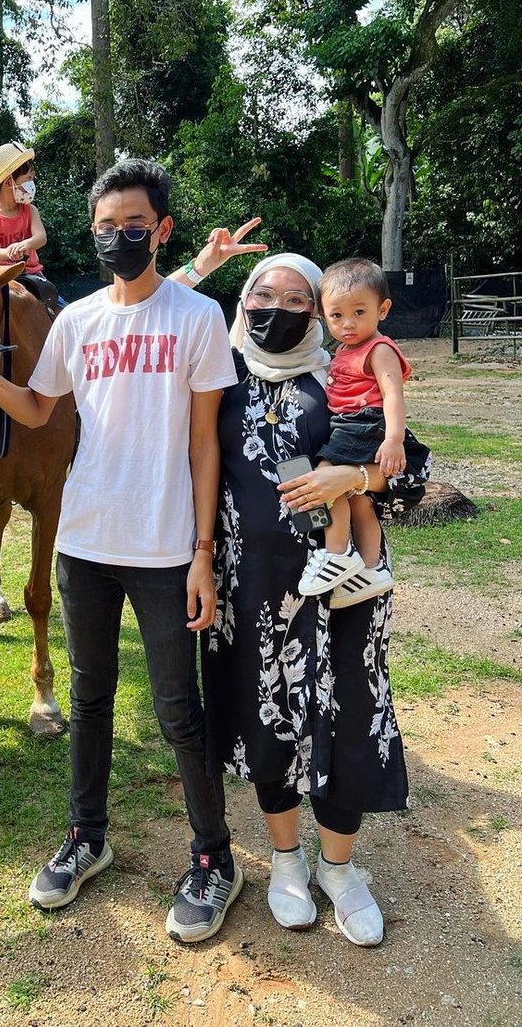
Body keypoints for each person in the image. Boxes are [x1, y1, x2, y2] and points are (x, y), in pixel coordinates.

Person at [0, 158, 244, 945]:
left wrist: (202, 552)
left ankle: (214, 858)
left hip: (163, 546)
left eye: (134, 225)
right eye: (106, 227)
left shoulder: (197, 318)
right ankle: (87, 836)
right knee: (89, 700)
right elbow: (39, 405)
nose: (120, 237)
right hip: (84, 542)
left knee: (178, 711)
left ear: (163, 230)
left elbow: (204, 445)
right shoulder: (77, 320)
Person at [198, 253, 428, 947]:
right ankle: (287, 861)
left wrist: (350, 478)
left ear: (318, 313)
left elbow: (409, 473)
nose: (278, 308)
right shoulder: (220, 378)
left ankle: (340, 869)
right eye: (263, 294)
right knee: (266, 722)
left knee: (347, 717)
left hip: (343, 591)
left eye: (298, 298)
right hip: (251, 590)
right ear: (243, 301)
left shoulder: (342, 374)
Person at [297, 258, 430, 607]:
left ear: (382, 310)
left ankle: (337, 552)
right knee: (359, 499)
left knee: (324, 479)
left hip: (363, 422)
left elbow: (393, 394)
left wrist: (394, 439)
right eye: (336, 315)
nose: (348, 323)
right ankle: (372, 569)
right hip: (352, 423)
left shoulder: (379, 349)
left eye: (359, 312)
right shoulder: (344, 349)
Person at [0, 140, 57, 308]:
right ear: (8, 182)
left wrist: (24, 245)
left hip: (31, 275)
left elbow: (41, 237)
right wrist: (8, 253)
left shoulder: (30, 210)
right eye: (28, 179)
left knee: (56, 307)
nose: (31, 184)